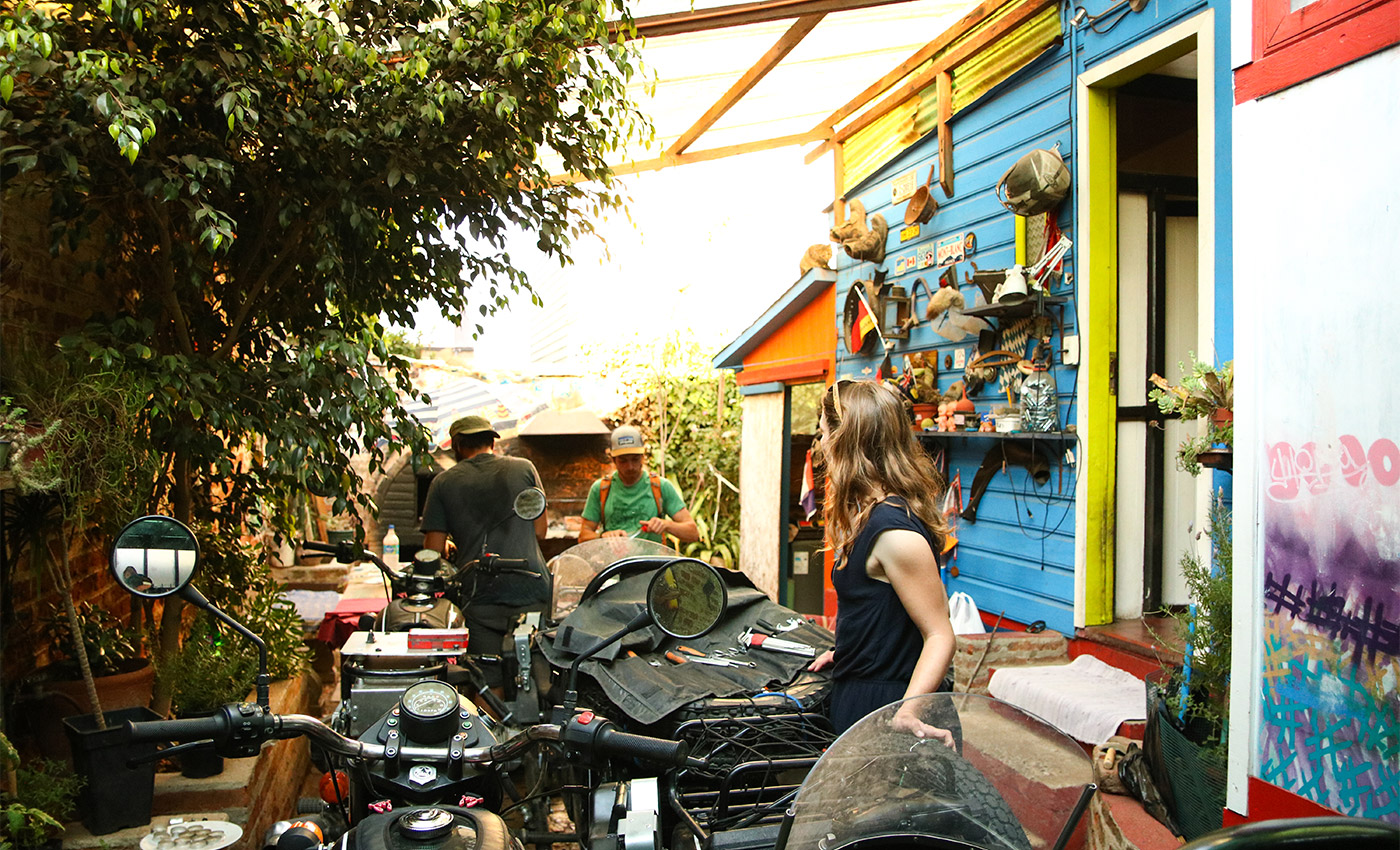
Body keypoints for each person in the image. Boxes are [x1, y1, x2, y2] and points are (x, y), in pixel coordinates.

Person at [807, 379, 958, 744]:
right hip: (860, 691)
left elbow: (940, 635)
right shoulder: (867, 514)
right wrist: (849, 651)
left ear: (846, 440)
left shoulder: (894, 533)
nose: (821, 443)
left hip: (889, 711)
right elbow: (885, 611)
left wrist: (909, 711)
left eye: (824, 432)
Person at [420, 415, 551, 655]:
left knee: (485, 671)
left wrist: (451, 544)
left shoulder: (442, 482)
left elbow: (432, 552)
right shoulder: (524, 467)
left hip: (479, 597)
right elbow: (540, 531)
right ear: (492, 442)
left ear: (457, 446)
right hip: (531, 589)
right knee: (533, 667)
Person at [578, 425, 699, 545]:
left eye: (635, 459)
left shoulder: (660, 486)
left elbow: (693, 533)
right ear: (614, 460)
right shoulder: (601, 489)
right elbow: (583, 536)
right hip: (615, 557)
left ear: (642, 457)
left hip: (651, 557)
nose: (630, 467)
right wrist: (603, 537)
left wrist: (666, 525)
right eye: (623, 461)